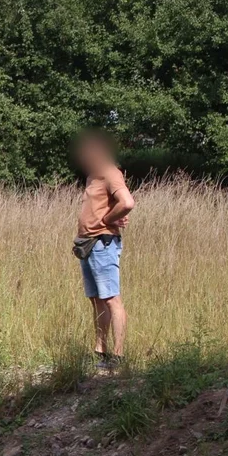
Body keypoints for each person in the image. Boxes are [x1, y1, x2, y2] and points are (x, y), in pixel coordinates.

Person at [74, 131, 136, 368]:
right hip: (88, 244)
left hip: (103, 243)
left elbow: (127, 202)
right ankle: (100, 351)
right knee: (96, 299)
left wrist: (109, 220)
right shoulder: (92, 176)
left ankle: (118, 357)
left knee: (111, 299)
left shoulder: (110, 172)